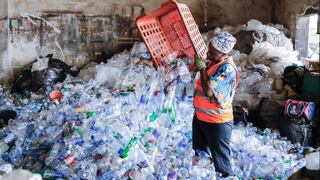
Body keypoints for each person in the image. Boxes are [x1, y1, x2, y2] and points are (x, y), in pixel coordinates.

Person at [193, 31, 238, 177]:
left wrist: (201, 68)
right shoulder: (214, 63)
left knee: (221, 163)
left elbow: (209, 92)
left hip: (217, 122)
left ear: (225, 53)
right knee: (200, 154)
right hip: (201, 118)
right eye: (209, 49)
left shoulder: (227, 69)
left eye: (213, 52)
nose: (208, 53)